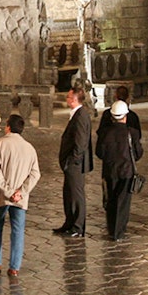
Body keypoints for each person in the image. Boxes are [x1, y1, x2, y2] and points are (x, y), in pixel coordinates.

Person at [0, 114, 41, 277]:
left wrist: (8, 191)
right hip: (19, 199)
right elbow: (35, 174)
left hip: (0, 195)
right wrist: (20, 192)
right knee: (18, 230)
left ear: (8, 127)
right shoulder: (30, 148)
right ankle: (14, 266)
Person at [94, 99, 142, 241]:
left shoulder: (104, 133)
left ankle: (111, 227)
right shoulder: (132, 133)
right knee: (123, 202)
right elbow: (138, 153)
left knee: (111, 199)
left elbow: (99, 153)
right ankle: (118, 232)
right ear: (125, 116)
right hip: (127, 171)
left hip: (109, 171)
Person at [54, 86, 93, 238]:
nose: (67, 99)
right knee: (68, 193)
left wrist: (73, 161)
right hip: (70, 163)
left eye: (69, 97)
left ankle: (77, 226)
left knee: (76, 195)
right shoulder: (76, 114)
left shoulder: (81, 116)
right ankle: (69, 222)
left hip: (75, 164)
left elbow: (81, 142)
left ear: (75, 99)